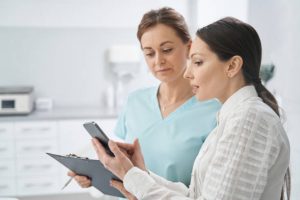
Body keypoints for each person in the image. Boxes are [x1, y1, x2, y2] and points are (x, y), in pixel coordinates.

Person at [92, 17, 291, 200]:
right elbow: (195, 195)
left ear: (232, 66)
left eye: (197, 62)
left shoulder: (249, 119)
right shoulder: (233, 117)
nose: (187, 73)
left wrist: (133, 177)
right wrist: (139, 174)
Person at [68, 7, 220, 192]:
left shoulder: (214, 110)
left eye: (167, 50)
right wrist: (95, 176)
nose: (158, 60)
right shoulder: (135, 101)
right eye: (149, 53)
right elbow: (125, 168)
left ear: (189, 48)